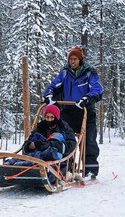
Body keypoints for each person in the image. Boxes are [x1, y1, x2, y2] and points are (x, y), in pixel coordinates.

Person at [43, 46, 103, 178]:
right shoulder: (65, 73)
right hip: (68, 111)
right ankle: (66, 167)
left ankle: (90, 170)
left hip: (85, 111)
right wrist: (49, 97)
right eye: (70, 59)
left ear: (80, 60)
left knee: (89, 140)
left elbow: (97, 89)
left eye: (75, 59)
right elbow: (53, 86)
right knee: (64, 138)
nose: (72, 61)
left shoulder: (89, 73)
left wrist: (86, 99)